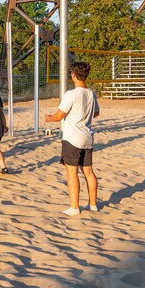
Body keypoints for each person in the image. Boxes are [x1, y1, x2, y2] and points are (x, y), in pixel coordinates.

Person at [45, 61, 100, 216]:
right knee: (88, 172)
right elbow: (96, 113)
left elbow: (59, 115)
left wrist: (49, 118)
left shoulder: (71, 94)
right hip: (88, 136)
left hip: (72, 138)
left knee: (72, 172)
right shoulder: (91, 93)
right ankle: (93, 205)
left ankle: (74, 207)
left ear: (73, 75)